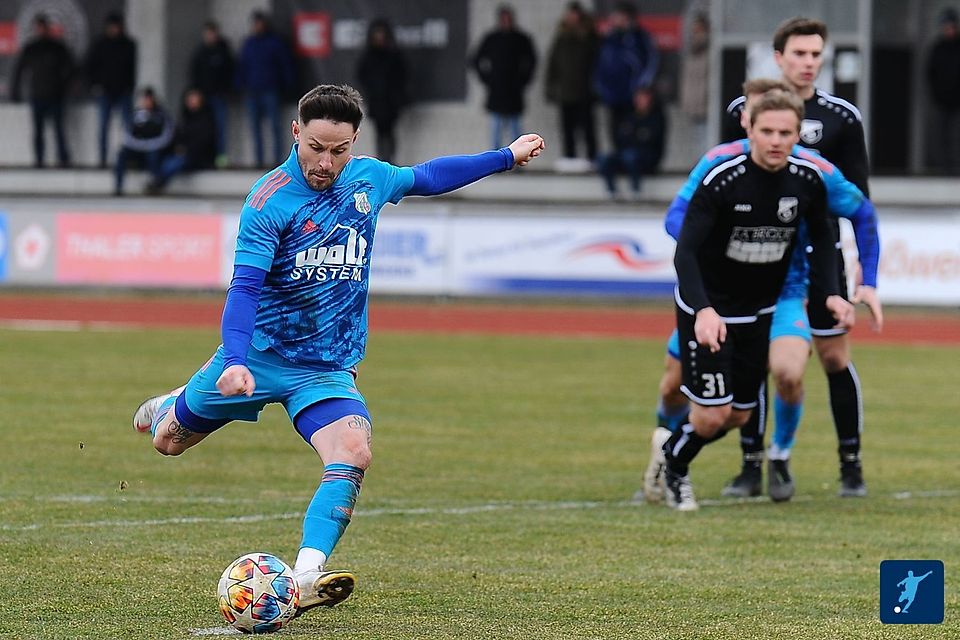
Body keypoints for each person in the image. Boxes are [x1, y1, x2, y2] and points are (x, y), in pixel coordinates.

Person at [130, 84, 544, 611]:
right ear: (296, 133)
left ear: (355, 141)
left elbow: (429, 176)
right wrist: (233, 362)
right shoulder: (269, 200)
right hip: (258, 357)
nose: (326, 163)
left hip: (326, 368)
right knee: (167, 442)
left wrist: (505, 156)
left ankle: (306, 575)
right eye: (316, 148)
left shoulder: (368, 178)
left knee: (353, 451)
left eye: (339, 150)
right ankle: (175, 401)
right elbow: (245, 290)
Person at [638, 79, 881, 506]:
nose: (775, 141)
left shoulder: (809, 178)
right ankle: (677, 469)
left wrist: (831, 293)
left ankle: (673, 451)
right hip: (710, 306)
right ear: (749, 128)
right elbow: (685, 250)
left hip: (761, 307)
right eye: (767, 131)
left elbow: (823, 237)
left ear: (798, 133)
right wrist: (703, 309)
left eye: (785, 133)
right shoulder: (720, 177)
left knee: (740, 414)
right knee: (709, 413)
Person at [719, 18, 875, 498]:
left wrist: (866, 274)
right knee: (756, 358)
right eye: (799, 54)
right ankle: (752, 465)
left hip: (820, 259)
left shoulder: (842, 118)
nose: (808, 63)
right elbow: (725, 177)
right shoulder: (743, 110)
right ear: (778, 57)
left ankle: (850, 464)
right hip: (758, 258)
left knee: (833, 357)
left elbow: (859, 201)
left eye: (815, 54)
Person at [593, 2, 659, 153]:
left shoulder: (639, 37)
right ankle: (618, 156)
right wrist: (601, 86)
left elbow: (651, 62)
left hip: (632, 94)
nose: (615, 19)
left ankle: (631, 158)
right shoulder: (610, 38)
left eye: (619, 16)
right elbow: (601, 64)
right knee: (614, 128)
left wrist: (641, 87)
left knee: (631, 128)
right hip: (612, 93)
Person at [10, 13, 74, 168]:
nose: (41, 30)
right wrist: (15, 91)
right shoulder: (31, 48)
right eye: (38, 27)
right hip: (37, 95)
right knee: (38, 131)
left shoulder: (58, 47)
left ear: (47, 28)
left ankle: (63, 159)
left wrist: (63, 87)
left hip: (55, 95)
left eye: (43, 27)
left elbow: (72, 69)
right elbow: (19, 70)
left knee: (59, 130)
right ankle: (39, 160)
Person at [472, 5, 537, 149]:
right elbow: (475, 59)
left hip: (514, 90)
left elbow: (532, 61)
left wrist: (524, 80)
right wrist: (487, 79)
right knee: (495, 131)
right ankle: (496, 159)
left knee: (516, 132)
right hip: (497, 89)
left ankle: (517, 157)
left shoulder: (520, 39)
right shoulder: (492, 38)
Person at [236, 10, 295, 168]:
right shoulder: (249, 43)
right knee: (255, 128)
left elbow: (285, 66)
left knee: (275, 126)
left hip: (270, 89)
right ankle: (259, 161)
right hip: (252, 90)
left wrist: (287, 85)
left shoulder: (275, 43)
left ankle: (277, 160)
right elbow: (243, 66)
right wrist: (239, 85)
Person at [545, 2, 598, 164]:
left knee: (587, 128)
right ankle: (570, 158)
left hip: (585, 92)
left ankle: (592, 158)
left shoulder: (589, 37)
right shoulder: (561, 38)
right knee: (567, 129)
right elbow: (552, 64)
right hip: (566, 92)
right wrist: (550, 88)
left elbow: (597, 63)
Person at [85, 11, 137, 168]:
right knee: (103, 127)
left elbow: (132, 69)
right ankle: (102, 159)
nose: (114, 29)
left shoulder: (129, 45)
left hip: (123, 91)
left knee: (128, 127)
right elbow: (90, 67)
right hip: (105, 91)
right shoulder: (100, 44)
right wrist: (95, 85)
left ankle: (131, 157)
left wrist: (130, 87)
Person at [596, 86, 665, 200]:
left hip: (647, 157)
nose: (640, 100)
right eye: (638, 97)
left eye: (643, 97)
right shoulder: (629, 115)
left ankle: (636, 189)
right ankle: (611, 190)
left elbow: (650, 140)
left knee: (630, 156)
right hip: (626, 155)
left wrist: (634, 137)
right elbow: (621, 138)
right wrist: (636, 136)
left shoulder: (656, 117)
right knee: (604, 158)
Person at [146, 88, 217, 194]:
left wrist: (186, 150)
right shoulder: (184, 118)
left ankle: (158, 182)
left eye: (194, 99)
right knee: (163, 157)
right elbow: (177, 137)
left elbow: (203, 142)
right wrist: (178, 147)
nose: (191, 102)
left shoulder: (206, 119)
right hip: (182, 154)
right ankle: (157, 180)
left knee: (176, 162)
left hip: (198, 157)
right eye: (189, 99)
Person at [356, 19, 407, 164]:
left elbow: (403, 76)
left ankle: (390, 160)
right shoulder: (368, 57)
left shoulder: (394, 56)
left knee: (389, 132)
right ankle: (381, 160)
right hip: (376, 101)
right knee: (379, 132)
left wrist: (397, 94)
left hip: (391, 102)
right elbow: (362, 76)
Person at [190, 20, 235, 168]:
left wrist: (227, 90)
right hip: (204, 97)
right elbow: (195, 74)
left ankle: (220, 157)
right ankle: (207, 157)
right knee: (205, 129)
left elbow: (229, 72)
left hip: (219, 96)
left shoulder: (223, 51)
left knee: (220, 128)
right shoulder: (200, 53)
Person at [113, 87, 173, 196]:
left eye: (149, 99)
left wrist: (151, 145)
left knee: (153, 155)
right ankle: (118, 186)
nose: (147, 102)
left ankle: (155, 184)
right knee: (121, 154)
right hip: (137, 148)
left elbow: (166, 136)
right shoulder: (134, 115)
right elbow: (126, 135)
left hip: (154, 147)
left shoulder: (161, 115)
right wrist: (141, 145)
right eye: (145, 99)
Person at [925, 8, 960, 174]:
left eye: (951, 27)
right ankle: (944, 167)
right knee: (942, 134)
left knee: (956, 135)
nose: (949, 30)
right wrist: (937, 94)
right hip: (942, 100)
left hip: (957, 100)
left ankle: (956, 164)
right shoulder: (938, 48)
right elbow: (930, 74)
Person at [678, 13, 709, 149]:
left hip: (708, 104)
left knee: (706, 139)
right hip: (694, 104)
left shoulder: (711, 49)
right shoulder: (689, 51)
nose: (696, 33)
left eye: (699, 29)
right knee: (697, 140)